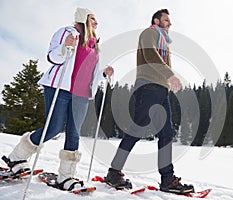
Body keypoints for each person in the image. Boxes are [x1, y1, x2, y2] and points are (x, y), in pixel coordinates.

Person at [2, 8, 113, 191]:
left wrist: (103, 73)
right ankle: (17, 157)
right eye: (93, 19)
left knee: (74, 133)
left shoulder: (95, 46)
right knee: (53, 128)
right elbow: (52, 57)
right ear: (82, 19)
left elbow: (90, 73)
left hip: (81, 94)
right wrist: (65, 47)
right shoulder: (67, 33)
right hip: (60, 87)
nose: (96, 23)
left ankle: (66, 177)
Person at [104, 9, 195, 194]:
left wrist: (167, 81)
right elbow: (150, 55)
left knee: (167, 133)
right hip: (147, 87)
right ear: (157, 20)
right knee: (138, 129)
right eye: (166, 19)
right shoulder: (150, 33)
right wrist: (171, 75)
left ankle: (167, 179)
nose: (170, 23)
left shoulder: (164, 41)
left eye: (170, 20)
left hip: (162, 90)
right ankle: (114, 172)